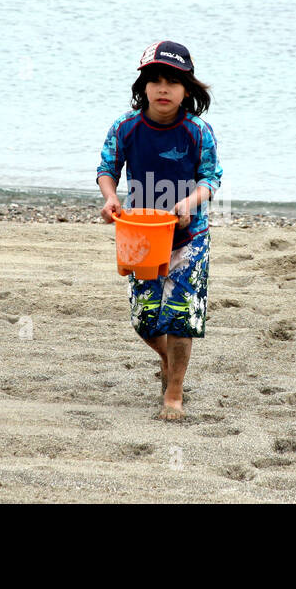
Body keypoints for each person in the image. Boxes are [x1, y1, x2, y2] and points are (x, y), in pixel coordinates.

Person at [96, 41, 223, 421]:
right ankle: (168, 361)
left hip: (189, 237)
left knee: (180, 317)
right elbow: (107, 169)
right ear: (143, 88)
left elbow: (211, 178)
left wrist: (189, 203)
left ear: (188, 89)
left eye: (172, 81)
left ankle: (174, 391)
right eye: (155, 81)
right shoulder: (125, 127)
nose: (163, 89)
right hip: (140, 236)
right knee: (146, 319)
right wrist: (110, 199)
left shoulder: (198, 130)